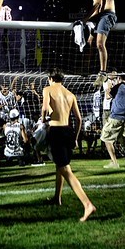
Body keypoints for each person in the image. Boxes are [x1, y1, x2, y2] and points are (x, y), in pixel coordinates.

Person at [41, 68, 96, 222]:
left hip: (56, 131)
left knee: (65, 169)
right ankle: (57, 198)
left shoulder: (48, 89)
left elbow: (45, 108)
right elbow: (79, 119)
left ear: (50, 78)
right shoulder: (70, 94)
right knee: (61, 166)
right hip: (68, 131)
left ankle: (87, 204)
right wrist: (76, 137)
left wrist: (43, 120)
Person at [81, 0, 117, 87]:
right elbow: (96, 10)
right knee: (89, 42)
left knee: (100, 43)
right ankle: (85, 69)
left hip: (107, 15)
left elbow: (96, 4)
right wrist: (82, 22)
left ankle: (103, 73)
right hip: (99, 17)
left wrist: (85, 19)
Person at [100, 73, 125, 168]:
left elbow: (108, 96)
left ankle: (114, 162)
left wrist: (109, 85)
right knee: (124, 140)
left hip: (116, 116)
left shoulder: (119, 86)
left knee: (106, 138)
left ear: (119, 78)